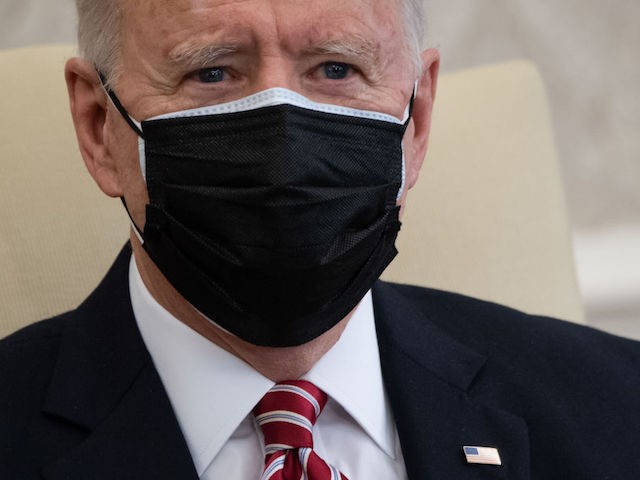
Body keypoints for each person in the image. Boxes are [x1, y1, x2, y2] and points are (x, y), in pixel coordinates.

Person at [1, 0, 639, 478]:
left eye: (337, 67)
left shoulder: (617, 407)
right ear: (96, 127)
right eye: (213, 74)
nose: (284, 149)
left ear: (415, 123)